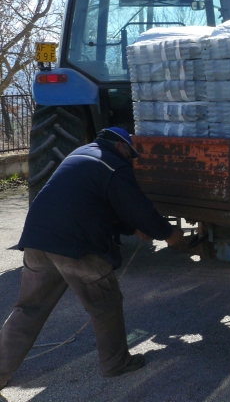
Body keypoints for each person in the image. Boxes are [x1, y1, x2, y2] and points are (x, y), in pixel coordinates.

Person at [0, 127, 185, 390]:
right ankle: (116, 363)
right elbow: (137, 207)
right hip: (77, 246)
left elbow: (94, 203)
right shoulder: (114, 165)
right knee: (105, 304)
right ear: (121, 147)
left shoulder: (79, 156)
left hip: (37, 240)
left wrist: (130, 228)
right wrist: (169, 234)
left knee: (29, 309)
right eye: (129, 155)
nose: (129, 161)